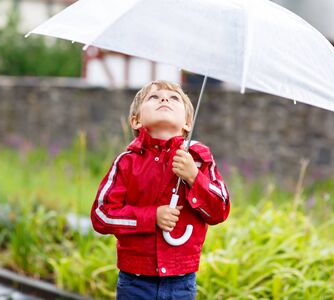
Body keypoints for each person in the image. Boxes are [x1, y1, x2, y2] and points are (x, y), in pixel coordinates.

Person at [91, 80, 230, 300]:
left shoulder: (198, 160)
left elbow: (219, 211)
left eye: (174, 98)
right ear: (136, 121)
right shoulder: (127, 162)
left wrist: (194, 178)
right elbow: (101, 215)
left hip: (181, 283)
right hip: (135, 281)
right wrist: (151, 217)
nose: (164, 99)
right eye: (154, 97)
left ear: (187, 123)